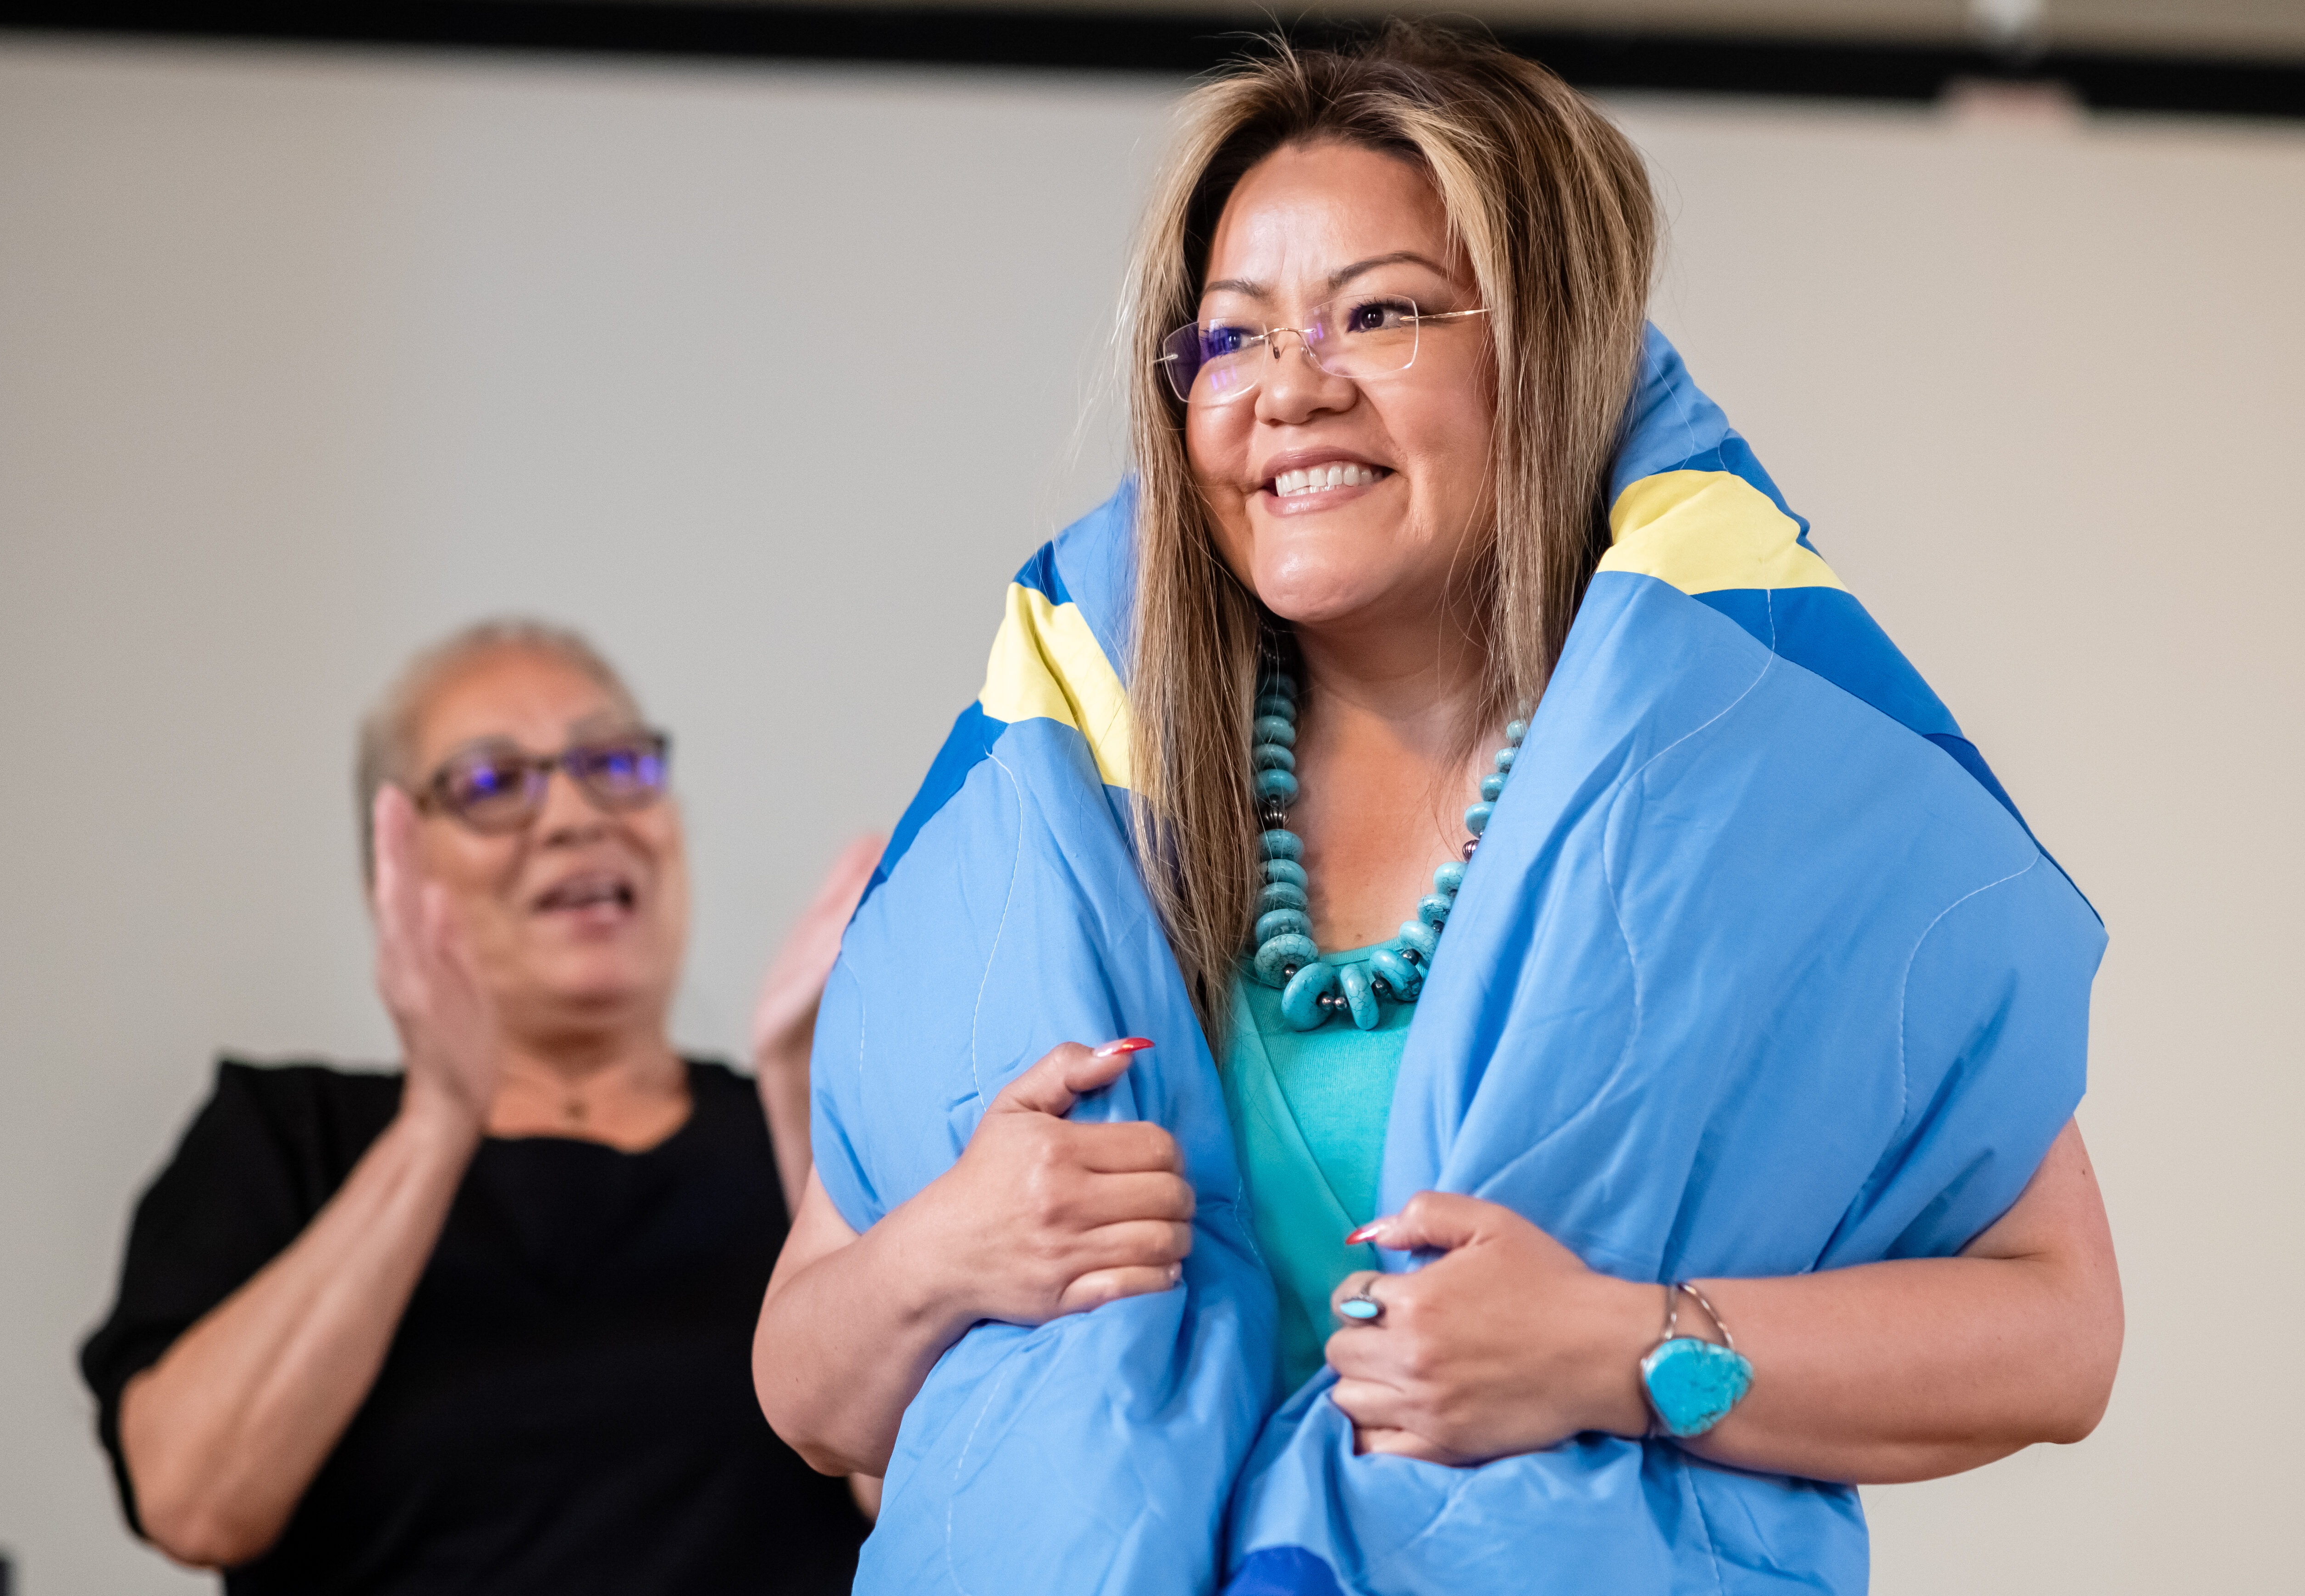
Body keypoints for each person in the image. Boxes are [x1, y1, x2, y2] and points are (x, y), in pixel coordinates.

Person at [752, 24, 2120, 1596]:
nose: (1289, 391)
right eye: (1233, 337)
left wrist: (1618, 1348)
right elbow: (807, 1383)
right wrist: (953, 1247)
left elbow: (2056, 1330)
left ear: (1546, 355)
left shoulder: (1733, 812)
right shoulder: (1074, 823)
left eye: (1379, 313)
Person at [79, 619, 874, 1594]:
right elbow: (195, 1503)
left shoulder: (809, 1139)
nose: (578, 815)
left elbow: (926, 1495)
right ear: (396, 877)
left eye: (615, 763)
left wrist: (805, 1104)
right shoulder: (291, 1136)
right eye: (493, 785)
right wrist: (439, 1121)